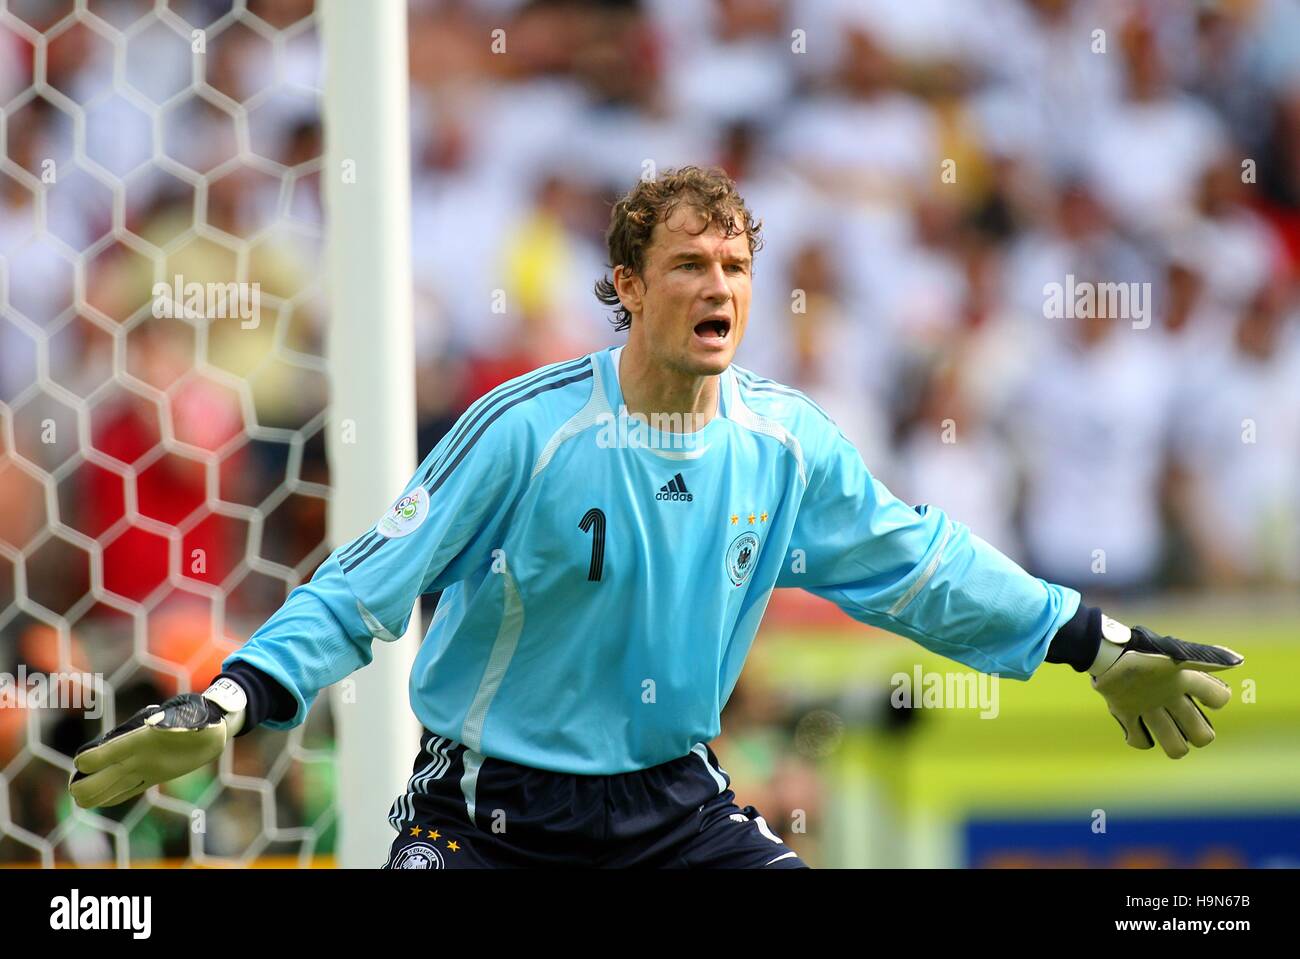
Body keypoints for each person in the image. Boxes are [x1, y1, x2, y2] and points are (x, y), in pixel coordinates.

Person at [68, 166, 1243, 869]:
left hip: (675, 807)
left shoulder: (783, 445)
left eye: (733, 264)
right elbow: (367, 581)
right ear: (626, 286)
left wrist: (1097, 643)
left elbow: (921, 567)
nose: (718, 286)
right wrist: (232, 696)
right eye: (687, 263)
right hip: (494, 812)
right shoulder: (527, 429)